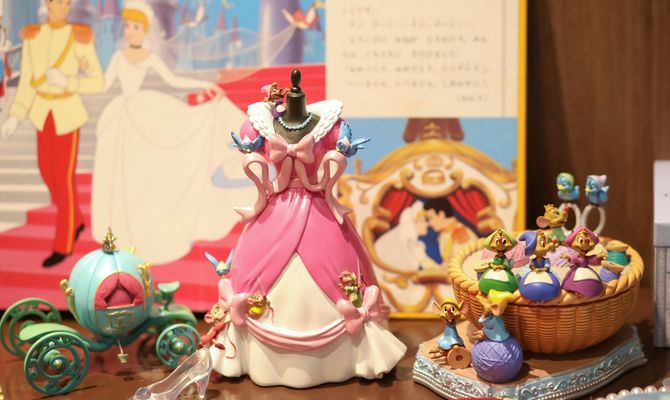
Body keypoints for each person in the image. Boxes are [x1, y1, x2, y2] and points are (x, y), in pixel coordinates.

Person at [91, 1, 254, 264]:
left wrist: (205, 86)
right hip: (122, 116)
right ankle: (123, 229)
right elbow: (103, 85)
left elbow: (174, 80)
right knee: (123, 175)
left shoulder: (149, 58)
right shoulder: (118, 57)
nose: (131, 31)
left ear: (145, 30)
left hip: (143, 112)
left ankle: (144, 226)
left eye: (136, 27)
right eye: (128, 26)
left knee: (142, 175)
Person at [1, 0, 104, 267]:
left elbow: (97, 81)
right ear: (47, 4)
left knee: (63, 178)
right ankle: (76, 219)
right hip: (41, 113)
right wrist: (15, 115)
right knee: (48, 173)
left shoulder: (79, 37)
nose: (63, 7)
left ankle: (63, 244)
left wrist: (68, 81)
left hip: (67, 114)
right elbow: (27, 83)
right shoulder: (34, 37)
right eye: (58, 1)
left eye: (67, 2)